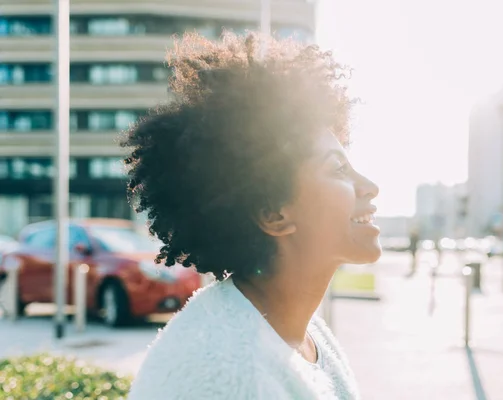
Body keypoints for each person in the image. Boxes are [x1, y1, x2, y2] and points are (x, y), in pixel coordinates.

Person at [125, 32, 381, 400]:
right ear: (274, 214)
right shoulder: (224, 374)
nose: (369, 186)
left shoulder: (300, 332)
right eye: (338, 169)